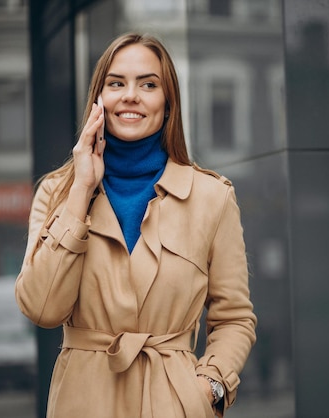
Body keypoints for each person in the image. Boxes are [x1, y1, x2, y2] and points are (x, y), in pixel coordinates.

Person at [15, 32, 257, 418]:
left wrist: (209, 386)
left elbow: (234, 318)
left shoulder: (212, 197)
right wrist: (81, 188)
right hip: (83, 402)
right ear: (99, 99)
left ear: (168, 102)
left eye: (148, 84)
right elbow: (41, 308)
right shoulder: (58, 192)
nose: (131, 95)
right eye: (116, 83)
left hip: (175, 404)